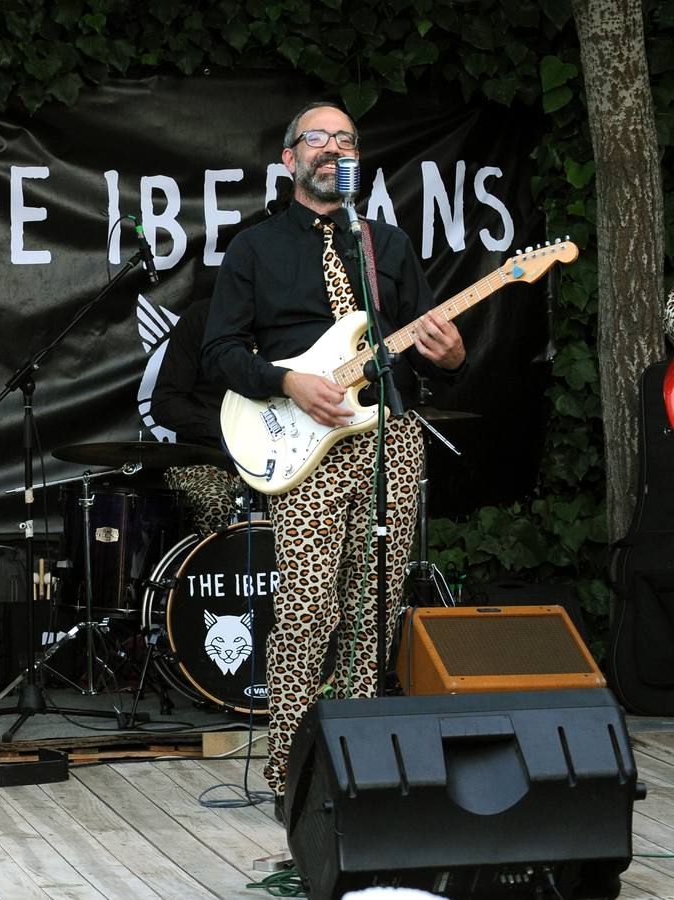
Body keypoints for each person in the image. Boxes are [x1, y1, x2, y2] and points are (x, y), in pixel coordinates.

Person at [202, 101, 466, 818]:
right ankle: (291, 771)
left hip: (389, 439)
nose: (332, 148)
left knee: (374, 608)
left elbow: (426, 349)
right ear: (289, 159)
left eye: (345, 139)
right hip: (303, 443)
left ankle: (354, 763)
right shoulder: (255, 248)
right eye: (317, 138)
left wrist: (451, 356)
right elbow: (218, 352)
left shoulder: (386, 246)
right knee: (308, 607)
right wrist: (288, 381)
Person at [148, 296, 247, 534]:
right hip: (207, 461)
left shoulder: (289, 320)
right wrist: (226, 426)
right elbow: (164, 403)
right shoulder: (203, 316)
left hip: (285, 462)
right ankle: (214, 569)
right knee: (214, 504)